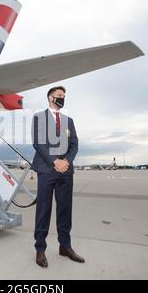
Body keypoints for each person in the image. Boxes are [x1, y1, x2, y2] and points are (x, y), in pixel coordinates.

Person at [31, 85, 85, 268]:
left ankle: (65, 246)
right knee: (43, 211)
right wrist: (55, 161)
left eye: (64, 96)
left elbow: (75, 144)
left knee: (65, 211)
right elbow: (38, 143)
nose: (62, 98)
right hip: (47, 170)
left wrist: (66, 161)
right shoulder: (39, 117)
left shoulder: (68, 120)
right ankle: (40, 248)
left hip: (65, 172)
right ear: (50, 98)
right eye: (59, 95)